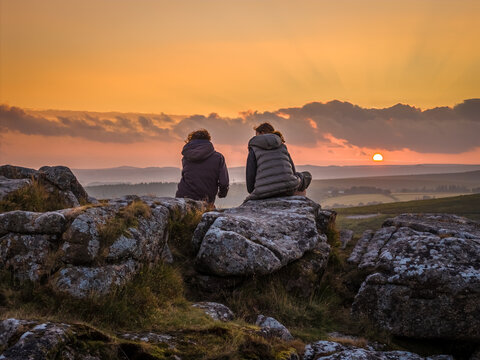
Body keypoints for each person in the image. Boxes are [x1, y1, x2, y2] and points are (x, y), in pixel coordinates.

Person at [246, 122, 311, 200]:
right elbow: (292, 172)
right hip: (287, 188)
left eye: (256, 134)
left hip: (264, 192)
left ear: (261, 133)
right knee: (305, 176)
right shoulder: (282, 146)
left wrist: (254, 191)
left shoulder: (254, 149)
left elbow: (250, 176)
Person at [176, 129, 229, 205]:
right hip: (205, 199)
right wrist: (222, 193)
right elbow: (224, 182)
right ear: (208, 140)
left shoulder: (186, 157)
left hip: (183, 198)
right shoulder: (218, 157)